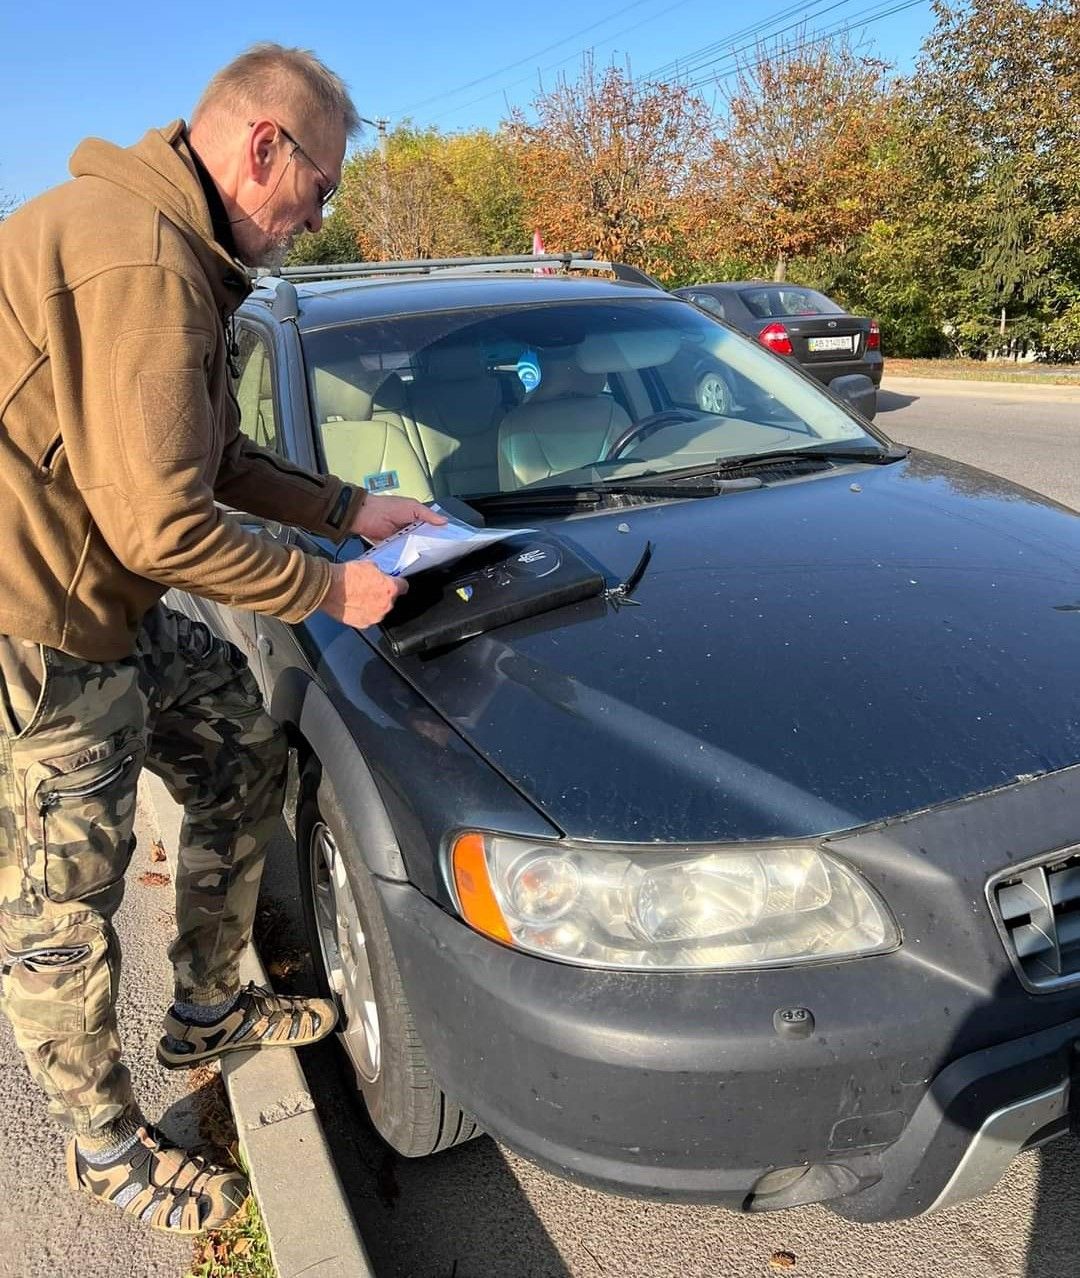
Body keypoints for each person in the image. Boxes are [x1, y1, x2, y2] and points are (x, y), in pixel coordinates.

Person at [0, 44, 443, 1235]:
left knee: (240, 738)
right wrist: (327, 587)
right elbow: (160, 520)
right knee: (60, 904)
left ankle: (207, 1006)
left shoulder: (176, 251)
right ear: (264, 149)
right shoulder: (139, 259)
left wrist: (351, 511)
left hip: (108, 600)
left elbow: (211, 461)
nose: (319, 213)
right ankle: (102, 1146)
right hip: (38, 627)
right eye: (325, 185)